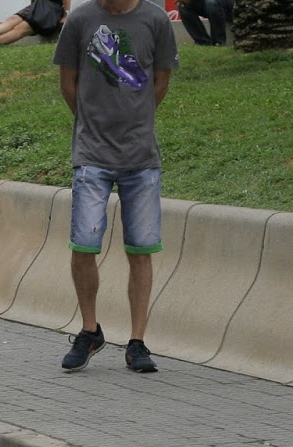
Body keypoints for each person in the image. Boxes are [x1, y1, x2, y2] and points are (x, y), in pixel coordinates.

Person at [56, 0, 177, 374]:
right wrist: (93, 124)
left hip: (140, 157)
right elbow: (68, 83)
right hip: (91, 154)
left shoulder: (156, 20)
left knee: (141, 249)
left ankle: (137, 342)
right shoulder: (80, 19)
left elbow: (160, 83)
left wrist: (135, 122)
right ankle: (90, 330)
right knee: (84, 243)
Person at [0, 0, 67, 45]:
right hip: (39, 4)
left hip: (51, 9)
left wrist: (66, 14)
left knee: (21, 29)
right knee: (13, 18)